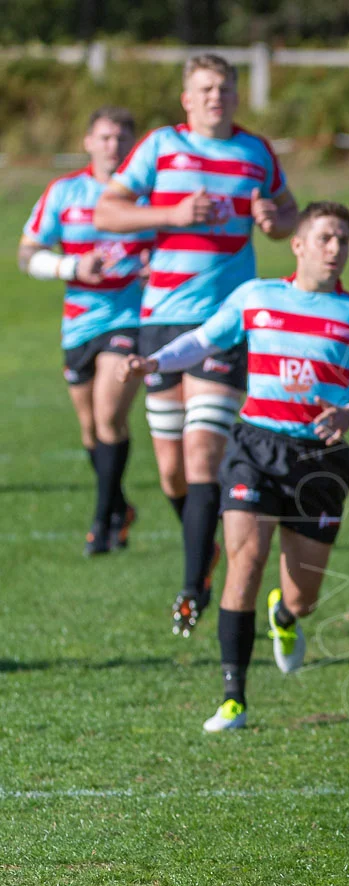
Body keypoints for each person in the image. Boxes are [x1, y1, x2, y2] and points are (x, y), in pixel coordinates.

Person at [123, 202, 349, 734]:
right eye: (325, 238)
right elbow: (204, 340)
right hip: (255, 447)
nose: (335, 249)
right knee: (245, 564)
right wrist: (155, 362)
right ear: (298, 244)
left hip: (320, 461)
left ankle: (285, 615)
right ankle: (233, 699)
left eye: (343, 240)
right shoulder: (256, 297)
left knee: (303, 597)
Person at [95, 53, 299, 637]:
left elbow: (288, 214)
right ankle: (205, 545)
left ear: (236, 95)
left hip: (226, 324)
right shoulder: (160, 147)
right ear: (188, 98)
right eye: (206, 88)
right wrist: (174, 212)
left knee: (203, 454)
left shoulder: (256, 151)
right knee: (171, 473)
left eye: (225, 88)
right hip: (162, 320)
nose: (217, 97)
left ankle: (191, 589)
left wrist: (275, 221)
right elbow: (108, 212)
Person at [19, 107, 154, 556]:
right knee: (90, 429)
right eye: (105, 137)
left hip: (129, 319)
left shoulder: (150, 197)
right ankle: (121, 507)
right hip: (78, 322)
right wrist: (71, 266)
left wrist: (156, 267)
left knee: (108, 415)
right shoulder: (64, 192)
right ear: (88, 142)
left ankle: (101, 524)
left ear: (133, 145)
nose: (113, 146)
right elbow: (27, 254)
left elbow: (173, 248)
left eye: (121, 138)